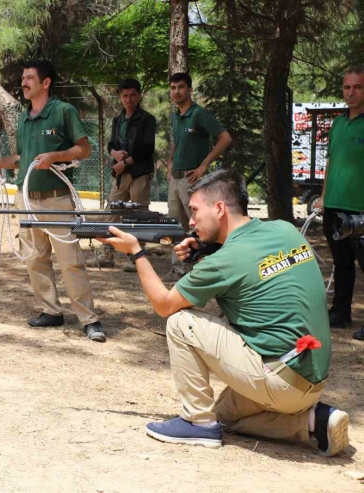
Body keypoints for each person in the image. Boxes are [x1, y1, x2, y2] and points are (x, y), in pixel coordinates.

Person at [97, 169, 349, 456]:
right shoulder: (285, 229)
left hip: (279, 379)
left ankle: (197, 424)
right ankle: (315, 422)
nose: (190, 221)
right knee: (225, 417)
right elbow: (251, 262)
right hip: (310, 378)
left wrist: (136, 252)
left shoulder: (224, 260)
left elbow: (164, 304)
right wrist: (207, 250)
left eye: (194, 211)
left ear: (219, 209)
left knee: (181, 321)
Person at [0, 59, 106, 342]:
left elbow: (83, 149)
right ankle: (51, 311)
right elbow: (22, 158)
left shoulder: (63, 111)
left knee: (70, 261)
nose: (23, 83)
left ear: (45, 83)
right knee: (34, 259)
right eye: (23, 78)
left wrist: (55, 157)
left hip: (57, 200)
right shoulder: (24, 117)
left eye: (29, 78)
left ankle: (90, 320)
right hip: (26, 199)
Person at [165, 72, 232, 281]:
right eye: (173, 87)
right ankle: (178, 270)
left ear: (190, 89)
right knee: (175, 226)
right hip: (175, 179)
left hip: (193, 179)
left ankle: (205, 269)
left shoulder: (200, 114)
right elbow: (176, 142)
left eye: (181, 87)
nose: (177, 92)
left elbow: (225, 138)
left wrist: (204, 165)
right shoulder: (176, 116)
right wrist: (169, 165)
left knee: (199, 224)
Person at [313, 67, 364, 340]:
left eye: (357, 87)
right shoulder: (336, 124)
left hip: (360, 208)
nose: (351, 93)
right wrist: (323, 197)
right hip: (334, 205)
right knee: (342, 262)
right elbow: (331, 162)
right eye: (347, 87)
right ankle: (341, 312)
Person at [87, 78, 157, 271]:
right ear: (120, 97)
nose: (128, 99)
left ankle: (137, 259)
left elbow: (147, 149)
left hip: (139, 174)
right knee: (112, 214)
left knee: (138, 216)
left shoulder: (147, 119)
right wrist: (114, 154)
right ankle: (106, 255)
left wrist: (125, 162)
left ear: (139, 95)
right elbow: (111, 144)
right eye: (125, 95)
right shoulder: (118, 120)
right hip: (119, 175)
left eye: (132, 95)